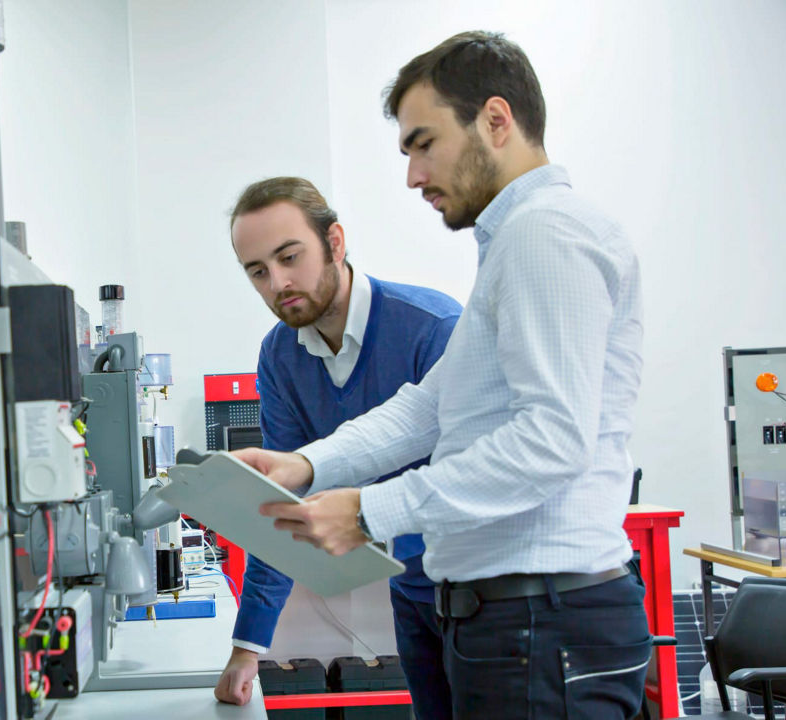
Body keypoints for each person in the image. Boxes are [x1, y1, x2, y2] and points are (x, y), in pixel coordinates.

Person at [234, 32, 648, 719]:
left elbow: (552, 441)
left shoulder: (544, 234)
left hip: (540, 621)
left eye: (424, 144)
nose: (413, 175)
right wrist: (304, 465)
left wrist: (371, 511)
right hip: (513, 622)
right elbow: (427, 407)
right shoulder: (514, 243)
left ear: (495, 119)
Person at [214, 176, 461, 719]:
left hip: (481, 595)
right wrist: (248, 646)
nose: (277, 282)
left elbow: (473, 475)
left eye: (289, 257)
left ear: (336, 243)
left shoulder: (433, 329)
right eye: (258, 271)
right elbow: (279, 506)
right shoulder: (281, 356)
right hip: (414, 595)